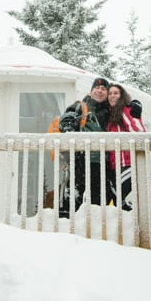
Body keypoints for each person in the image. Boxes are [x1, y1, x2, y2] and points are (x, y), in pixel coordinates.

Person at [56, 76, 111, 213]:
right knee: (75, 195)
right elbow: (66, 118)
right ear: (91, 91)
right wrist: (68, 126)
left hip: (103, 162)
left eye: (103, 89)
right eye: (97, 88)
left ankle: (95, 228)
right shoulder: (81, 105)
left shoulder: (111, 110)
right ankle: (68, 225)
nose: (99, 91)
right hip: (81, 159)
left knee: (99, 198)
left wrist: (134, 104)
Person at [104, 83, 146, 210]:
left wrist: (136, 116)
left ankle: (135, 225)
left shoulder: (124, 110)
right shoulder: (109, 113)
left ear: (122, 96)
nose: (112, 96)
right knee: (119, 201)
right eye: (110, 93)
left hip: (127, 162)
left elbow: (138, 132)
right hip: (114, 164)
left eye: (116, 93)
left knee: (121, 199)